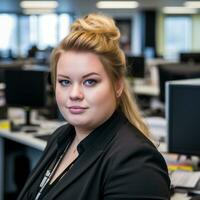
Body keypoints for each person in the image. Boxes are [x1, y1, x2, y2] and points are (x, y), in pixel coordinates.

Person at [17, 13, 170, 200]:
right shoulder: (61, 137)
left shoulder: (136, 163)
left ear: (118, 85)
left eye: (89, 82)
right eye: (64, 82)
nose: (74, 94)